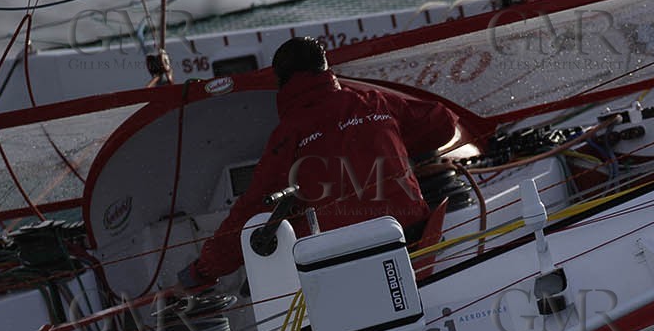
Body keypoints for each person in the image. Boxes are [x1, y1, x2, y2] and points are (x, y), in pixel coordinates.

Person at [178, 36, 462, 290]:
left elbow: (253, 211)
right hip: (413, 243)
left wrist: (204, 270)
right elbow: (444, 124)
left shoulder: (289, 134)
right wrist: (390, 146)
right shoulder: (373, 101)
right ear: (326, 69)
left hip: (346, 265)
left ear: (281, 81)